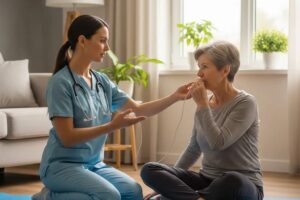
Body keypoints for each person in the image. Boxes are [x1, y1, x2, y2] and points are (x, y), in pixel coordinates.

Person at [32, 15, 191, 200]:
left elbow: (138, 109)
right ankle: (47, 197)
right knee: (110, 196)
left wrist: (174, 97)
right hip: (61, 165)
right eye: (102, 41)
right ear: (82, 41)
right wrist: (112, 126)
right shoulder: (61, 83)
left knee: (133, 191)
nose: (107, 48)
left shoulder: (101, 81)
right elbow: (67, 138)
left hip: (93, 164)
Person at [141, 41, 264, 200]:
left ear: (225, 69)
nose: (199, 74)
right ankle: (197, 198)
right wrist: (168, 185)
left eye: (204, 67)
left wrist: (202, 104)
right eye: (199, 67)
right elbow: (193, 148)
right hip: (207, 182)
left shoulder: (246, 103)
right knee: (149, 169)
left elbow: (218, 143)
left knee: (234, 180)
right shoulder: (205, 104)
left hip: (242, 185)